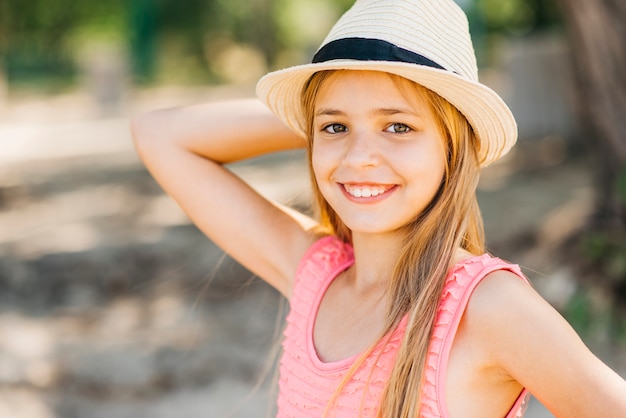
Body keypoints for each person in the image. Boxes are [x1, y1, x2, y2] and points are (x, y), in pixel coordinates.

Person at [131, 0, 626, 416]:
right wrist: (328, 102)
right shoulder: (315, 273)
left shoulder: (487, 307)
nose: (359, 157)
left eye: (398, 127)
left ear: (454, 148)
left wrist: (345, 105)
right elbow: (159, 134)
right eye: (335, 130)